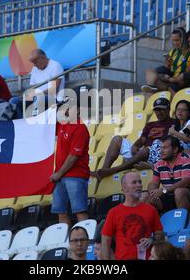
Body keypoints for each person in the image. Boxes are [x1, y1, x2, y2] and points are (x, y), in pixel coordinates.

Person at [94, 97, 174, 180]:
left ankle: (115, 169)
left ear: (168, 109)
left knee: (147, 149)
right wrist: (134, 147)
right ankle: (104, 170)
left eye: (161, 110)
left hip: (158, 155)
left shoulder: (174, 123)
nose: (159, 113)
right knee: (117, 139)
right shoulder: (150, 125)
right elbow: (140, 141)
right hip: (143, 154)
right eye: (156, 110)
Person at [101, 172, 164, 260]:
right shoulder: (114, 212)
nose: (139, 185)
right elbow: (105, 241)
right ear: (124, 188)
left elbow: (160, 237)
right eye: (134, 182)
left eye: (140, 182)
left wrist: (152, 240)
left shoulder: (151, 210)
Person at [51, 98, 90, 227]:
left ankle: (87, 242)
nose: (65, 110)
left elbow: (74, 156)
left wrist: (59, 173)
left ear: (78, 110)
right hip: (62, 176)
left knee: (80, 211)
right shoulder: (62, 124)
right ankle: (66, 242)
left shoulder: (80, 128)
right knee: (61, 213)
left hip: (75, 176)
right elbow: (45, 124)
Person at [147, 136, 190, 212]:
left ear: (175, 149)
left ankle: (183, 221)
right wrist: (152, 192)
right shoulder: (159, 164)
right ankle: (159, 222)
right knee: (146, 196)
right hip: (170, 195)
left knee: (179, 192)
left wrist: (164, 190)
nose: (161, 151)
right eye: (161, 148)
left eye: (165, 148)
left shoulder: (187, 159)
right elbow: (153, 183)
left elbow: (185, 182)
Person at [141, 27, 190, 93]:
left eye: (177, 40)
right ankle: (150, 86)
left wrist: (171, 78)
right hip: (169, 79)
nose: (175, 43)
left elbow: (189, 70)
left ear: (184, 39)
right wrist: (168, 63)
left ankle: (152, 87)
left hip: (179, 82)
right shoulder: (173, 52)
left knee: (155, 84)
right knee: (149, 71)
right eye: (173, 40)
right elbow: (167, 68)